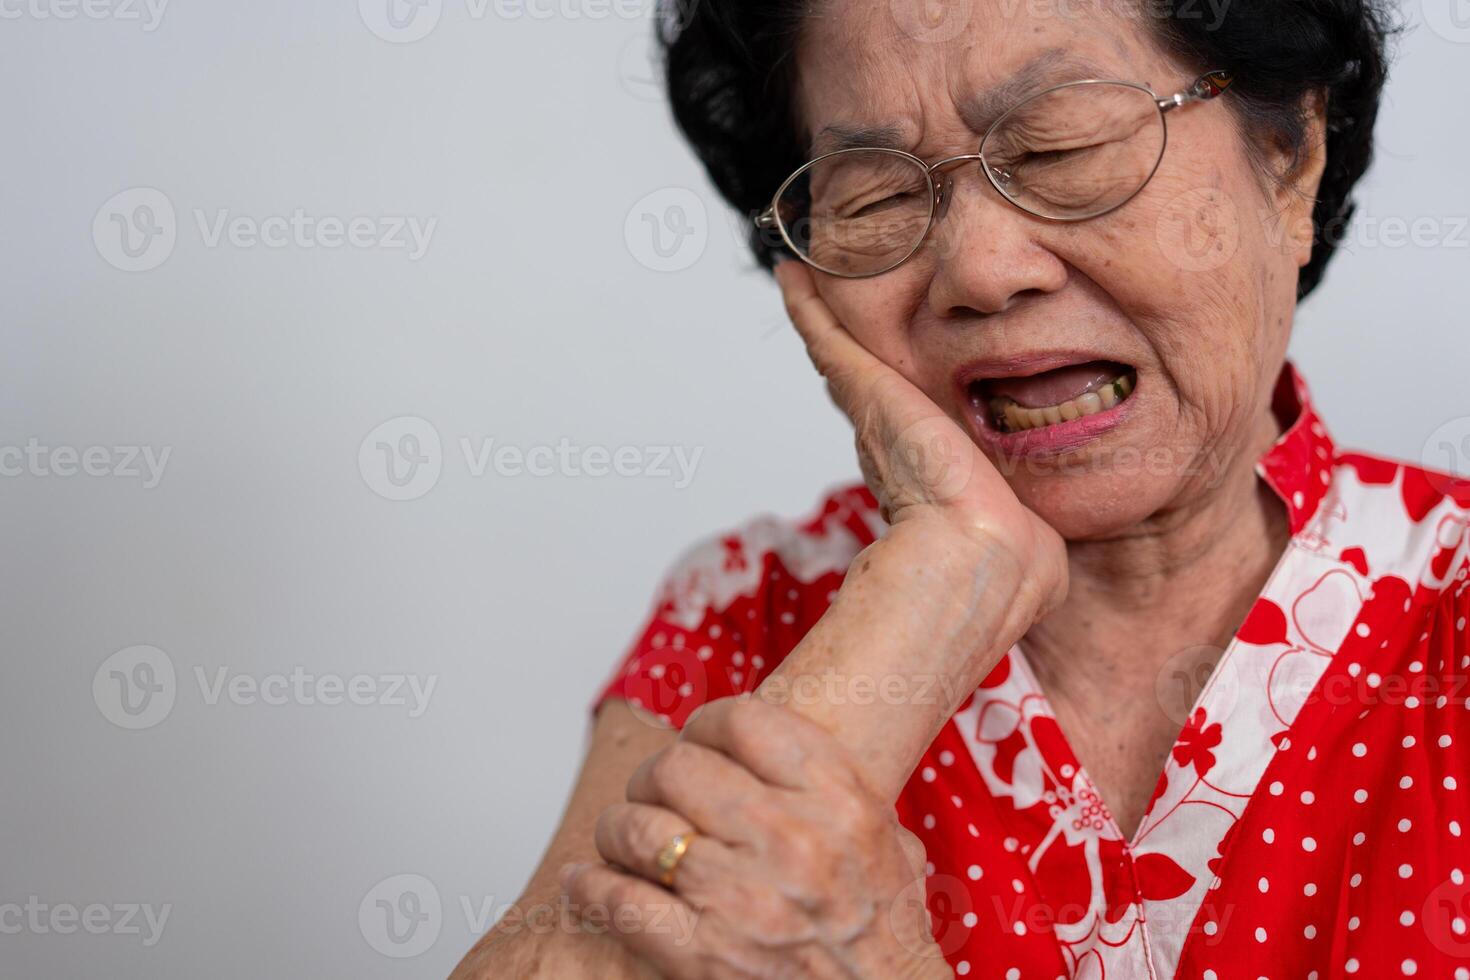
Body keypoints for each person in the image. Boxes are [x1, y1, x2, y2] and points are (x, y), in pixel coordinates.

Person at [455, 0, 1470, 975]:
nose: (980, 270)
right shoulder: (745, 613)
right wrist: (941, 573)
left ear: (1290, 159)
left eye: (1060, 151)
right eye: (878, 196)